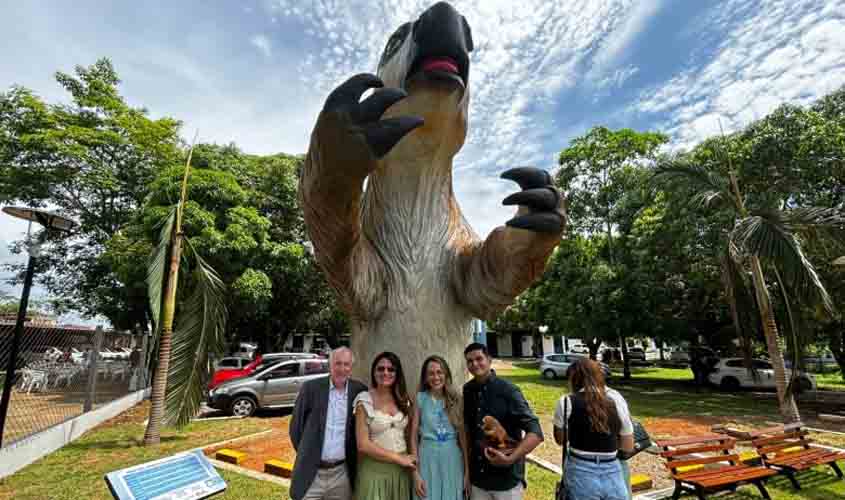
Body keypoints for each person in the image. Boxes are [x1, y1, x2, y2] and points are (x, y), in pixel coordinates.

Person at [463, 343, 543, 500]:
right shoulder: (467, 390)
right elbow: (467, 430)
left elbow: (536, 432)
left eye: (479, 359)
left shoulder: (508, 390)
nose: (474, 364)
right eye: (470, 361)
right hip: (478, 481)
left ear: (489, 359)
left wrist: (510, 459)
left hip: (506, 482)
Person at [290, 347, 368, 500]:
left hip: (341, 475)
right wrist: (308, 453)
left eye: (346, 364)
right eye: (338, 363)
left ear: (351, 368)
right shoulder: (311, 389)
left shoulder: (359, 391)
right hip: (312, 472)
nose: (342, 369)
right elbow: (296, 429)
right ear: (330, 365)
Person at [553, 359, 634, 500]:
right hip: (612, 468)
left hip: (580, 467)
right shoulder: (616, 399)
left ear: (573, 378)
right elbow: (628, 446)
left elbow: (560, 440)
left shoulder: (566, 401)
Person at [354, 351, 417, 500]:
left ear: (397, 373)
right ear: (374, 372)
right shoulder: (364, 400)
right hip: (374, 471)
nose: (385, 372)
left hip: (401, 472)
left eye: (391, 369)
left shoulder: (404, 399)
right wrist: (398, 458)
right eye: (380, 369)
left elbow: (409, 436)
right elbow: (362, 444)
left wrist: (413, 467)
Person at [410, 355, 470, 500]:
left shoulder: (456, 399)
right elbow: (413, 437)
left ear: (446, 374)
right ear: (425, 377)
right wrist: (415, 473)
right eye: (431, 373)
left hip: (452, 459)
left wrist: (467, 471)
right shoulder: (420, 398)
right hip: (427, 458)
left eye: (439, 372)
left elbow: (462, 437)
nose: (436, 377)